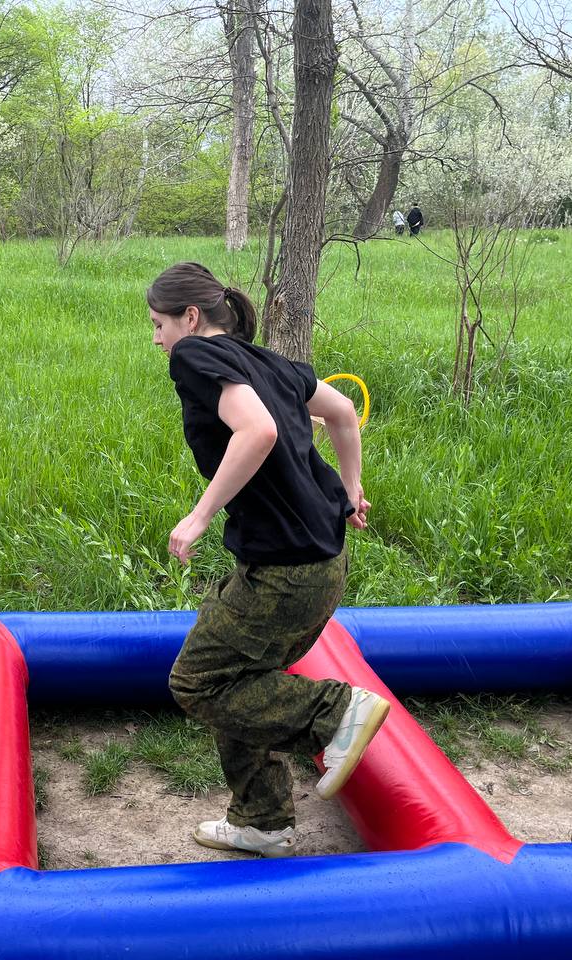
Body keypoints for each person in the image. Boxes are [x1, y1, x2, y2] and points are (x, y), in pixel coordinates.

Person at [147, 262, 389, 859]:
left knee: (199, 681)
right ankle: (262, 821)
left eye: (159, 325)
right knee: (240, 678)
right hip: (321, 562)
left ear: (191, 318)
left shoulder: (194, 356)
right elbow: (343, 412)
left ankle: (336, 712)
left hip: (285, 572)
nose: (156, 339)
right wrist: (350, 492)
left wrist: (199, 516)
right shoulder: (270, 362)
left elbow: (256, 432)